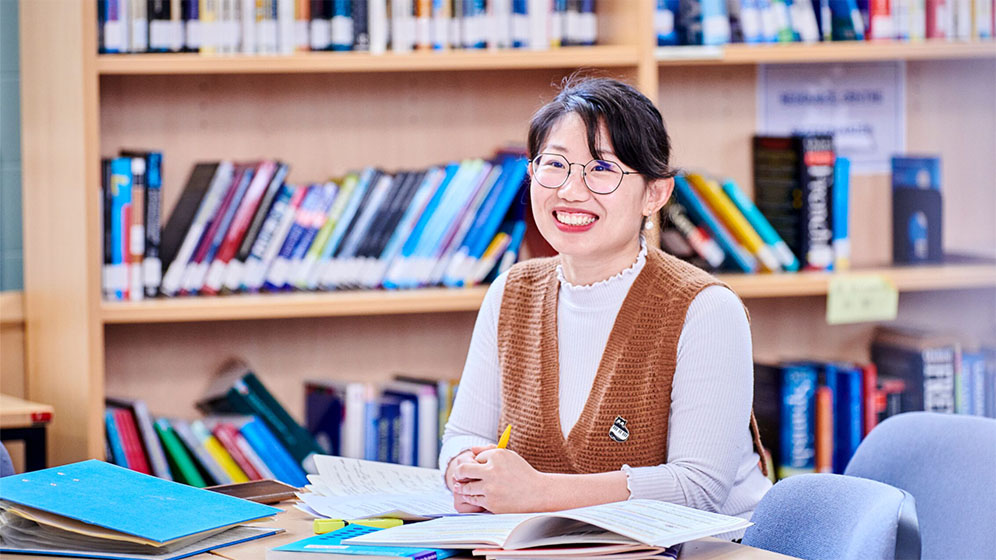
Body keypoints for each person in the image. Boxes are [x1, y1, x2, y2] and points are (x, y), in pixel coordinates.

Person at [437, 76, 772, 522]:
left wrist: (537, 492)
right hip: (559, 547)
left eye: (601, 170)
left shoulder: (706, 308)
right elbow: (464, 434)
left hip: (707, 550)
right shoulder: (510, 293)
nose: (571, 191)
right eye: (554, 165)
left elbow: (698, 489)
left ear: (655, 193)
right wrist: (465, 470)